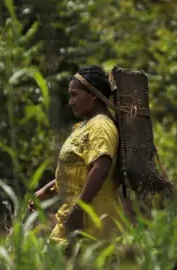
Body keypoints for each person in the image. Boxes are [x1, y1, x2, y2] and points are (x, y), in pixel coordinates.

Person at [28, 65, 123, 254]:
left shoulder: (102, 127)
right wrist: (49, 189)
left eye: (74, 94)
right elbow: (80, 168)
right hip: (72, 215)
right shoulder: (85, 126)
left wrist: (80, 209)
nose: (70, 102)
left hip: (92, 222)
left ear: (93, 95)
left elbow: (101, 166)